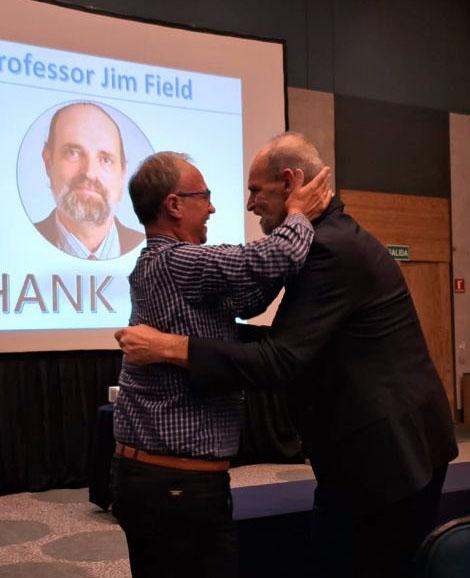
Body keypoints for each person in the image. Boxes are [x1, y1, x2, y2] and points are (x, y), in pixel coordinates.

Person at [115, 133, 459, 578]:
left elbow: (278, 355)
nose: (246, 204)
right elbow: (264, 295)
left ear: (291, 182)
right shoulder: (310, 243)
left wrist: (175, 347)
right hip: (366, 457)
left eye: (256, 190)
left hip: (388, 462)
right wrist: (297, 216)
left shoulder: (328, 248)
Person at [112, 150, 332, 578]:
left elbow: (248, 298)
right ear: (174, 205)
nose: (212, 207)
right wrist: (300, 212)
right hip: (174, 485)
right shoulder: (177, 262)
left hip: (163, 480)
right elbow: (268, 260)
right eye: (204, 196)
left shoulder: (174, 268)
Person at [36, 102, 144, 259]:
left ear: (123, 173)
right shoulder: (16, 244)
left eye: (105, 159)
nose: (90, 173)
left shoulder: (148, 250)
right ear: (48, 162)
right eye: (73, 153)